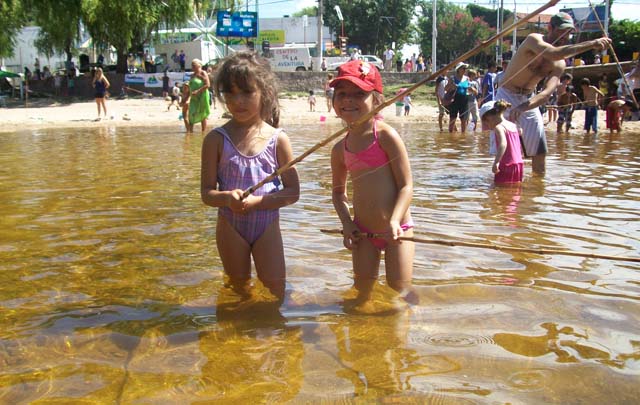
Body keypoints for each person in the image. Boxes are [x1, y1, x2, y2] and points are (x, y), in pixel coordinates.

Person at [201, 51, 300, 301]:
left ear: (264, 93)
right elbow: (206, 193)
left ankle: (267, 338)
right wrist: (225, 198)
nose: (238, 101)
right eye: (230, 93)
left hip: (267, 225)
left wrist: (258, 202)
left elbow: (293, 192)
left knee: (276, 290)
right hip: (230, 226)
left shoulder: (278, 140)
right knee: (238, 289)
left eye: (246, 92)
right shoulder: (215, 140)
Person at [329, 60, 416, 305]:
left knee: (399, 292)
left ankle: (408, 330)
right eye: (342, 94)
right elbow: (338, 194)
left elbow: (406, 185)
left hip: (397, 230)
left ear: (376, 100)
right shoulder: (339, 149)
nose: (348, 100)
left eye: (359, 94)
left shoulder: (385, 136)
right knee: (361, 291)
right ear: (334, 101)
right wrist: (347, 224)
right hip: (363, 234)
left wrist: (395, 220)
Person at [495, 12, 611, 174]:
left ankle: (537, 189)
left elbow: (547, 92)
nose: (565, 36)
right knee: (506, 146)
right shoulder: (534, 40)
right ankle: (502, 184)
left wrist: (523, 107)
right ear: (550, 28)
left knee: (539, 149)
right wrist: (592, 44)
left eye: (569, 33)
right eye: (561, 31)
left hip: (528, 98)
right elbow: (553, 53)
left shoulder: (560, 63)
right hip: (506, 94)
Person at [481, 100, 524, 184]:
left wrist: (496, 162)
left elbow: (503, 144)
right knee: (515, 190)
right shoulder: (513, 125)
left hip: (506, 164)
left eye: (487, 122)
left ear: (490, 117)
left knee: (500, 188)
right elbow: (519, 141)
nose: (488, 126)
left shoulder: (499, 127)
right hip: (518, 163)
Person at [445, 62, 471, 133]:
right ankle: (450, 135)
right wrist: (451, 86)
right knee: (453, 118)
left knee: (464, 119)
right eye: (463, 68)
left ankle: (463, 135)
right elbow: (446, 89)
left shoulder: (467, 79)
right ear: (458, 69)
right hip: (455, 99)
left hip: (464, 99)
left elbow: (470, 89)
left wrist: (470, 89)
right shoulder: (453, 78)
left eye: (465, 69)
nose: (465, 70)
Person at [187, 59, 211, 133]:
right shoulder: (192, 75)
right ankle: (190, 132)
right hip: (193, 97)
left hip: (202, 95)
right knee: (191, 113)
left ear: (199, 65)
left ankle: (203, 132)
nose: (193, 67)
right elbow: (189, 86)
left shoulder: (203, 73)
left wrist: (198, 91)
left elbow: (208, 85)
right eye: (192, 65)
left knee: (202, 113)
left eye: (194, 65)